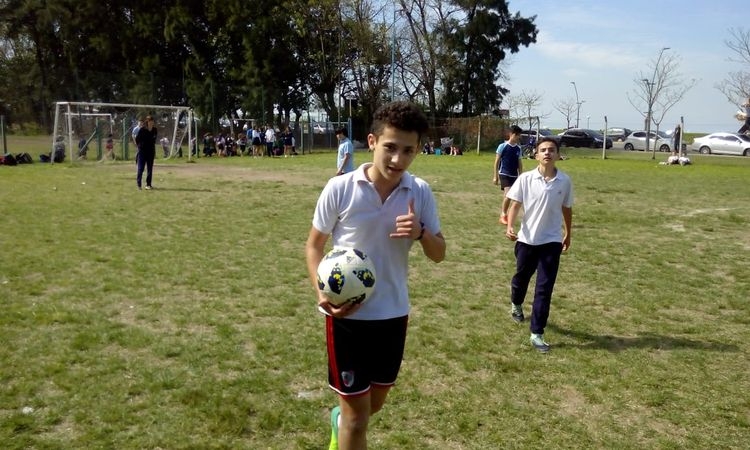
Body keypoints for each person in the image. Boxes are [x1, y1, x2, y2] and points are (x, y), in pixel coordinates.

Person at [305, 101, 446, 450]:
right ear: (372, 142)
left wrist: (421, 233)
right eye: (390, 147)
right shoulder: (340, 188)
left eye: (408, 151)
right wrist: (321, 294)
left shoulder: (419, 192)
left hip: (393, 314)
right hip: (346, 317)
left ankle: (339, 421)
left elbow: (439, 253)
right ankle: (345, 424)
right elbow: (314, 245)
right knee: (357, 419)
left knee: (373, 407)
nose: (398, 159)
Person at [505, 137, 573, 353]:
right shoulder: (526, 179)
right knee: (521, 278)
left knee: (544, 288)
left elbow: (567, 208)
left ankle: (537, 333)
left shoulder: (564, 181)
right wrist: (510, 225)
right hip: (527, 240)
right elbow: (515, 204)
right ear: (536, 155)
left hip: (551, 242)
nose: (547, 153)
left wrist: (568, 233)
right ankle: (516, 303)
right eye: (543, 150)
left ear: (558, 155)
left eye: (551, 150)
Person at [493, 125, 524, 225]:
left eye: (519, 135)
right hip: (504, 173)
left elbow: (519, 163)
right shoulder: (502, 146)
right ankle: (503, 215)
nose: (518, 137)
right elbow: (497, 162)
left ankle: (507, 214)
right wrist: (495, 176)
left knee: (514, 196)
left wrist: (521, 176)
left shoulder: (518, 149)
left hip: (514, 175)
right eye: (517, 135)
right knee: (508, 194)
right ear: (511, 134)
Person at [135, 115, 157, 190]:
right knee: (141, 168)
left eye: (152, 121)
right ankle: (139, 185)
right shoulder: (142, 130)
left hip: (151, 152)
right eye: (150, 121)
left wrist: (153, 151)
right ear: (147, 122)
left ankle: (148, 184)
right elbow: (137, 139)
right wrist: (140, 146)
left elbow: (154, 140)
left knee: (150, 168)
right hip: (142, 151)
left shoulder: (155, 130)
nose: (151, 123)